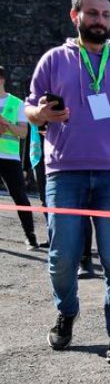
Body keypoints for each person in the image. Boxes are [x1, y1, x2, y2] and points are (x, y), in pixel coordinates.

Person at [24, 0, 110, 365]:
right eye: (94, 13)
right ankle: (66, 312)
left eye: (106, 15)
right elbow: (30, 110)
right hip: (64, 172)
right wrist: (42, 115)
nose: (101, 21)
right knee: (62, 257)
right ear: (76, 16)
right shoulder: (53, 59)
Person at [0, 65, 39, 250]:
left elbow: (23, 133)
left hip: (9, 158)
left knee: (20, 197)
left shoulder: (16, 104)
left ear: (1, 80)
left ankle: (30, 236)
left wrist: (6, 125)